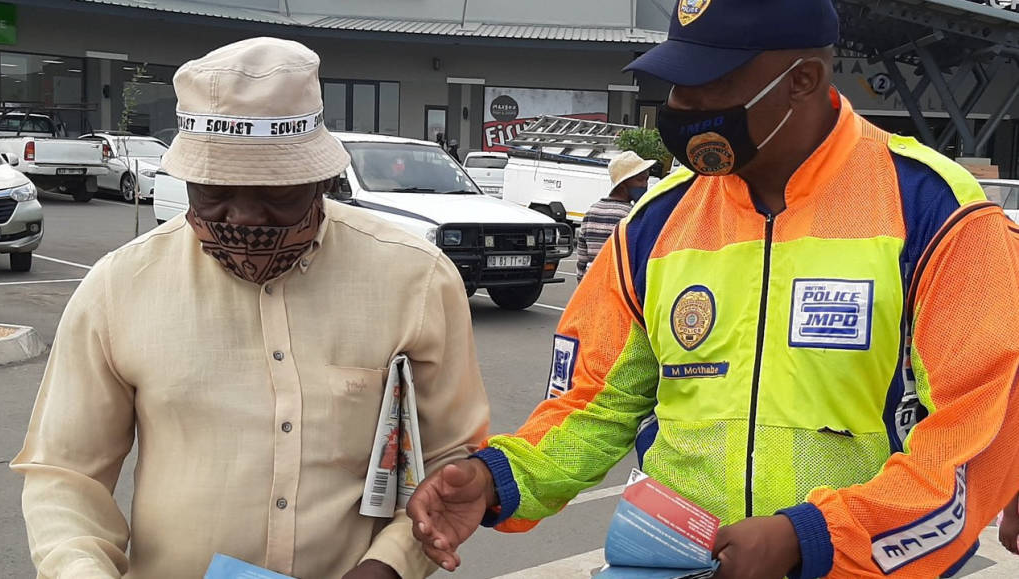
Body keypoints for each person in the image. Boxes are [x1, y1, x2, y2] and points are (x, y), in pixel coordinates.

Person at [407, 2, 1019, 578]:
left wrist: (812, 539)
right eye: (675, 84)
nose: (680, 104)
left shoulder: (936, 212)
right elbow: (593, 402)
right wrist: (498, 479)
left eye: (711, 82)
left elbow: (973, 439)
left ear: (802, 79)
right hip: (675, 561)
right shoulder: (654, 224)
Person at [11, 37, 490, 579]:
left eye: (274, 192)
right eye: (214, 192)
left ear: (321, 180)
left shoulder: (416, 280)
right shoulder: (119, 287)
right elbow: (66, 472)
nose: (243, 218)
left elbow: (451, 457)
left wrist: (391, 564)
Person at [576, 151, 655, 282]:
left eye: (646, 179)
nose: (644, 185)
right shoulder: (631, 216)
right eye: (640, 179)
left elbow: (582, 261)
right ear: (623, 183)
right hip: (618, 290)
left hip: (591, 286)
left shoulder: (591, 211)